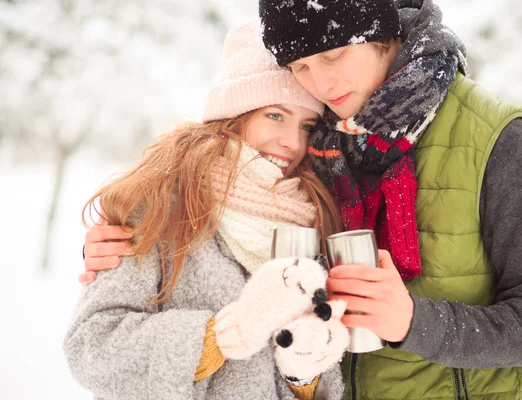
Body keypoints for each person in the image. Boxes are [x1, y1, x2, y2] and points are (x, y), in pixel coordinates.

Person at [83, 1, 522, 399]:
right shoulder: (319, 145)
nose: (322, 84)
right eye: (301, 67)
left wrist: (414, 322)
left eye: (334, 56)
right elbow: (229, 204)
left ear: (382, 33)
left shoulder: (499, 140)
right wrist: (122, 242)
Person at [65, 19, 351, 400]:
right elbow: (92, 348)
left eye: (306, 125)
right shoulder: (164, 202)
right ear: (235, 114)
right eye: (275, 116)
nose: (291, 142)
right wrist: (222, 336)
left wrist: (303, 374)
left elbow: (308, 372)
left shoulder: (310, 215)